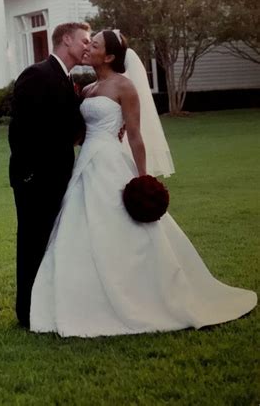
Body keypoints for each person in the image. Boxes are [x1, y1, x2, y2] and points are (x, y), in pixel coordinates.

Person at [30, 30, 257, 337]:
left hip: (110, 162)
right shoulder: (86, 89)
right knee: (78, 225)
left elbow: (134, 135)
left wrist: (143, 177)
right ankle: (81, 296)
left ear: (109, 56)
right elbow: (79, 132)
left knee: (119, 226)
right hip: (86, 161)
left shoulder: (124, 86)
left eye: (94, 45)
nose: (88, 48)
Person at [8, 21, 91, 328]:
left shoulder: (66, 78)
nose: (87, 46)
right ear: (66, 40)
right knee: (32, 243)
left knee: (52, 241)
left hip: (59, 177)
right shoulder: (37, 74)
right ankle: (27, 313)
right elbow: (21, 131)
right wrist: (29, 174)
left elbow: (65, 127)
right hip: (35, 180)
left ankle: (48, 305)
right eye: (84, 40)